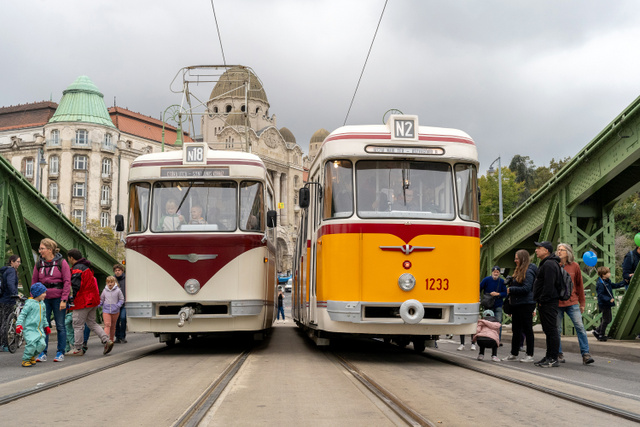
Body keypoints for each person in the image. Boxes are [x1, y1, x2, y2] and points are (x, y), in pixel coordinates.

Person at [66, 249, 114, 357]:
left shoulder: (77, 269)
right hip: (93, 300)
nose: (68, 260)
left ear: (71, 258)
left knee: (77, 324)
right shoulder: (87, 267)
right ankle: (106, 340)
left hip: (83, 300)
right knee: (92, 323)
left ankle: (78, 348)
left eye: (68, 258)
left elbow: (76, 285)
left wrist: (71, 299)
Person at [32, 238, 71, 363]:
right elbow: (34, 281)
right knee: (43, 325)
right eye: (40, 248)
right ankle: (43, 352)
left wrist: (64, 299)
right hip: (43, 299)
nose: (40, 251)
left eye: (42, 248)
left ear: (50, 249)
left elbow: (67, 282)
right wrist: (34, 298)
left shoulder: (62, 262)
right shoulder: (39, 264)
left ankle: (60, 352)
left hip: (58, 298)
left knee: (60, 326)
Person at [555, 243, 594, 365]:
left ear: (568, 252)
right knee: (557, 329)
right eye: (558, 250)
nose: (559, 252)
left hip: (572, 302)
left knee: (580, 327)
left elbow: (579, 285)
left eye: (562, 250)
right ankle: (558, 353)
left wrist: (582, 302)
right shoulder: (554, 265)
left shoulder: (575, 266)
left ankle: (586, 354)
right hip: (557, 303)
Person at [532, 241, 562, 368]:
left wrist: (542, 299)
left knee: (551, 330)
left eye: (539, 248)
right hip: (547, 302)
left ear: (546, 251)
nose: (536, 250)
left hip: (548, 302)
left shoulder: (549, 264)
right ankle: (549, 356)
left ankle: (553, 358)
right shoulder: (548, 263)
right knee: (548, 330)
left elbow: (549, 285)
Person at [503, 250, 537, 363]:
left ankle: (529, 354)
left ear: (522, 259)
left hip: (526, 304)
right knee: (516, 329)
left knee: (527, 329)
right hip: (517, 304)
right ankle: (514, 353)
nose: (515, 260)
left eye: (517, 258)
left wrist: (511, 289)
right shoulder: (519, 270)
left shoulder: (529, 271)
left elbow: (527, 288)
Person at [16, 283, 50, 367]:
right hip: (29, 328)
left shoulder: (42, 304)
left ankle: (31, 356)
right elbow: (22, 315)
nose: (45, 295)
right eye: (43, 293)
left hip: (39, 329)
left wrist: (46, 325)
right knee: (31, 344)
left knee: (42, 345)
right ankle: (26, 359)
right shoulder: (29, 304)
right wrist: (19, 325)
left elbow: (44, 316)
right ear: (37, 294)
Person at [593, 266, 626, 341]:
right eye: (608, 272)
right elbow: (600, 295)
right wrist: (608, 299)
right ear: (603, 274)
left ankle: (597, 331)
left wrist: (624, 282)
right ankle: (601, 334)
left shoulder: (607, 281)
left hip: (607, 303)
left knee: (608, 319)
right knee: (607, 319)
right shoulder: (600, 283)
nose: (609, 274)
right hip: (604, 303)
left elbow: (614, 286)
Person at [479, 266, 507, 343]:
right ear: (492, 272)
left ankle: (497, 339)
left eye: (497, 272)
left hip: (498, 305)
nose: (496, 273)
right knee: (488, 323)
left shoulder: (501, 281)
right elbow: (479, 288)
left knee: (498, 323)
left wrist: (498, 294)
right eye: (494, 272)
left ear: (499, 273)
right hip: (488, 305)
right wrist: (479, 298)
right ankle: (488, 338)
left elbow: (505, 293)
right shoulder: (486, 280)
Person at [0, 255, 21, 351]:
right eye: (17, 261)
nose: (19, 264)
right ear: (11, 262)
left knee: (2, 321)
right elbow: (10, 283)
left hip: (2, 299)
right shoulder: (11, 271)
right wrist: (14, 294)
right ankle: (4, 344)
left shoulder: (4, 271)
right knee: (6, 323)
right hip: (8, 299)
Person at [100, 276, 124, 343]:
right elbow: (101, 300)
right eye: (108, 282)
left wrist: (117, 306)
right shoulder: (104, 291)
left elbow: (121, 299)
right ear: (106, 283)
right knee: (107, 324)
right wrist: (98, 305)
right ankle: (105, 339)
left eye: (111, 282)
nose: (110, 284)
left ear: (114, 282)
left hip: (115, 311)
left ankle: (111, 339)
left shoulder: (118, 290)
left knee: (113, 326)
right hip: (106, 310)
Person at [113, 263, 127, 343]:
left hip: (124, 303)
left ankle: (122, 336)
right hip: (115, 304)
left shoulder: (126, 279)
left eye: (119, 270)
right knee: (116, 321)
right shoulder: (113, 279)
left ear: (122, 271)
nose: (117, 272)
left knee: (123, 318)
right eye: (116, 270)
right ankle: (117, 337)